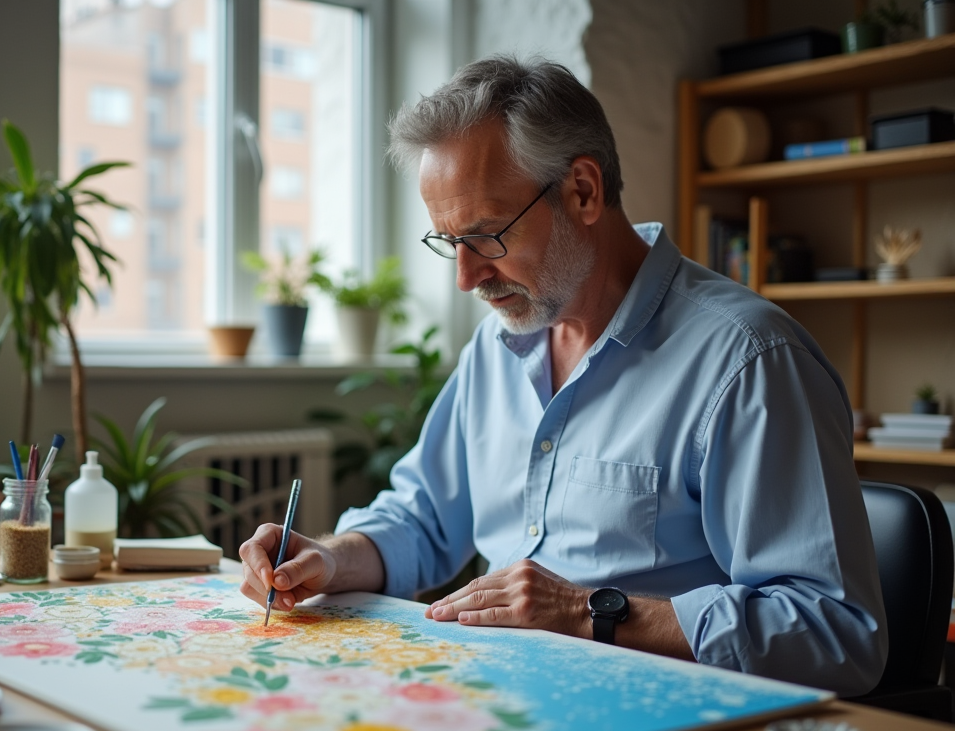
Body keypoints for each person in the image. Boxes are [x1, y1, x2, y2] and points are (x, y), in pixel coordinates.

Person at [238, 55, 888, 696]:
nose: (465, 279)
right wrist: (328, 557)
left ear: (583, 191)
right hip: (501, 709)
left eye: (488, 237)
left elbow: (837, 632)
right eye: (448, 243)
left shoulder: (749, 363)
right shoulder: (498, 347)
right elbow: (425, 521)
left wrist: (586, 611)